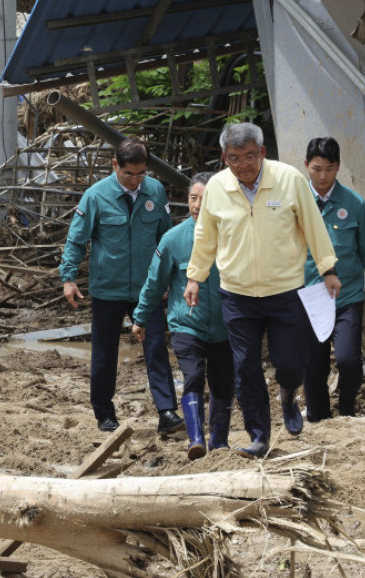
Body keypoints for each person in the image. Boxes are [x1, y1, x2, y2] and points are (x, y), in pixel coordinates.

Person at [185, 122, 338, 458]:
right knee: (245, 367)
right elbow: (205, 236)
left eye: (250, 156)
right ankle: (259, 436)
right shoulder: (216, 188)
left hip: (284, 289)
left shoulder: (289, 180)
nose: (243, 165)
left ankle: (288, 394)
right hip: (237, 294)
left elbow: (313, 224)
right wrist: (195, 276)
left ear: (262, 153)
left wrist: (327, 268)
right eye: (235, 158)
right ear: (225, 158)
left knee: (290, 362)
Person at [60, 139, 176, 433]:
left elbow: (166, 238)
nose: (135, 181)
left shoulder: (156, 192)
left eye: (141, 174)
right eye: (129, 174)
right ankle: (104, 413)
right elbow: (76, 240)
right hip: (107, 288)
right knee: (104, 352)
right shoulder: (95, 196)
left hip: (146, 289)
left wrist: (168, 278)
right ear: (115, 166)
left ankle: (167, 412)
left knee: (155, 348)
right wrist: (69, 278)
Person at [132, 172, 234, 458]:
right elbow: (154, 283)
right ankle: (196, 440)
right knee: (193, 375)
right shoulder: (173, 239)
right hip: (186, 323)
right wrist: (140, 318)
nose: (198, 205)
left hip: (225, 326)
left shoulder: (231, 235)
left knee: (223, 382)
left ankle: (221, 442)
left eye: (206, 198)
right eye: (193, 197)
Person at [302, 137, 365, 420]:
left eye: (329, 169)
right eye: (316, 169)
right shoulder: (297, 203)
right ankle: (318, 417)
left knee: (347, 359)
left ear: (338, 167)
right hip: (309, 296)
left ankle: (346, 411)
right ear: (306, 166)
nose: (322, 176)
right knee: (314, 365)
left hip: (347, 296)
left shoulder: (353, 203)